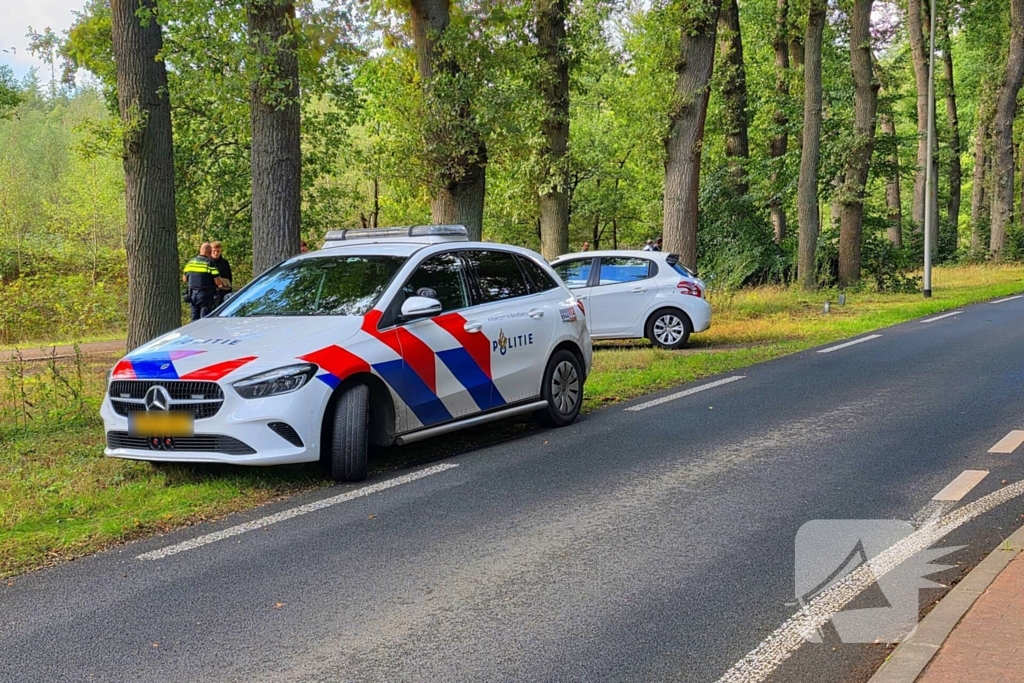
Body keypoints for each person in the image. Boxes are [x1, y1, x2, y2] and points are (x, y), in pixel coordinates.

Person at [182, 242, 224, 321]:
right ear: (210, 252)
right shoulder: (209, 263)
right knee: (205, 320)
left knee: (194, 319)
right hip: (206, 296)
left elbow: (184, 279)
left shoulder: (190, 262)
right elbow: (218, 282)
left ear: (200, 250)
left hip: (192, 295)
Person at [210, 241, 233, 307]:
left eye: (218, 251)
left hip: (223, 292)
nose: (216, 253)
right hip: (211, 293)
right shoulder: (207, 262)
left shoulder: (225, 263)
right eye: (214, 251)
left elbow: (230, 278)